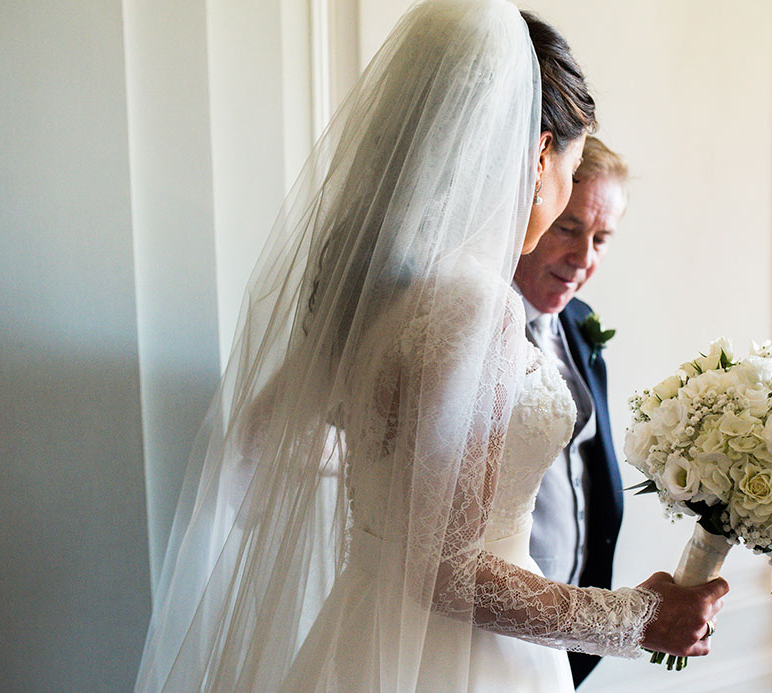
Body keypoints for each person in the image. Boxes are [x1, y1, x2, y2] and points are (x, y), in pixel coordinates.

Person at [134, 2, 726, 691]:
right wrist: (633, 617)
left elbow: (263, 437)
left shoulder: (375, 282)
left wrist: (387, 481)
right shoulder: (477, 302)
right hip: (463, 660)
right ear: (539, 153)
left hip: (360, 625)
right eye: (568, 162)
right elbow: (443, 568)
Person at [517, 136, 632, 687]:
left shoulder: (579, 321)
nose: (584, 259)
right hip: (491, 627)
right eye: (568, 228)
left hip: (567, 639)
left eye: (601, 238)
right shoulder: (460, 336)